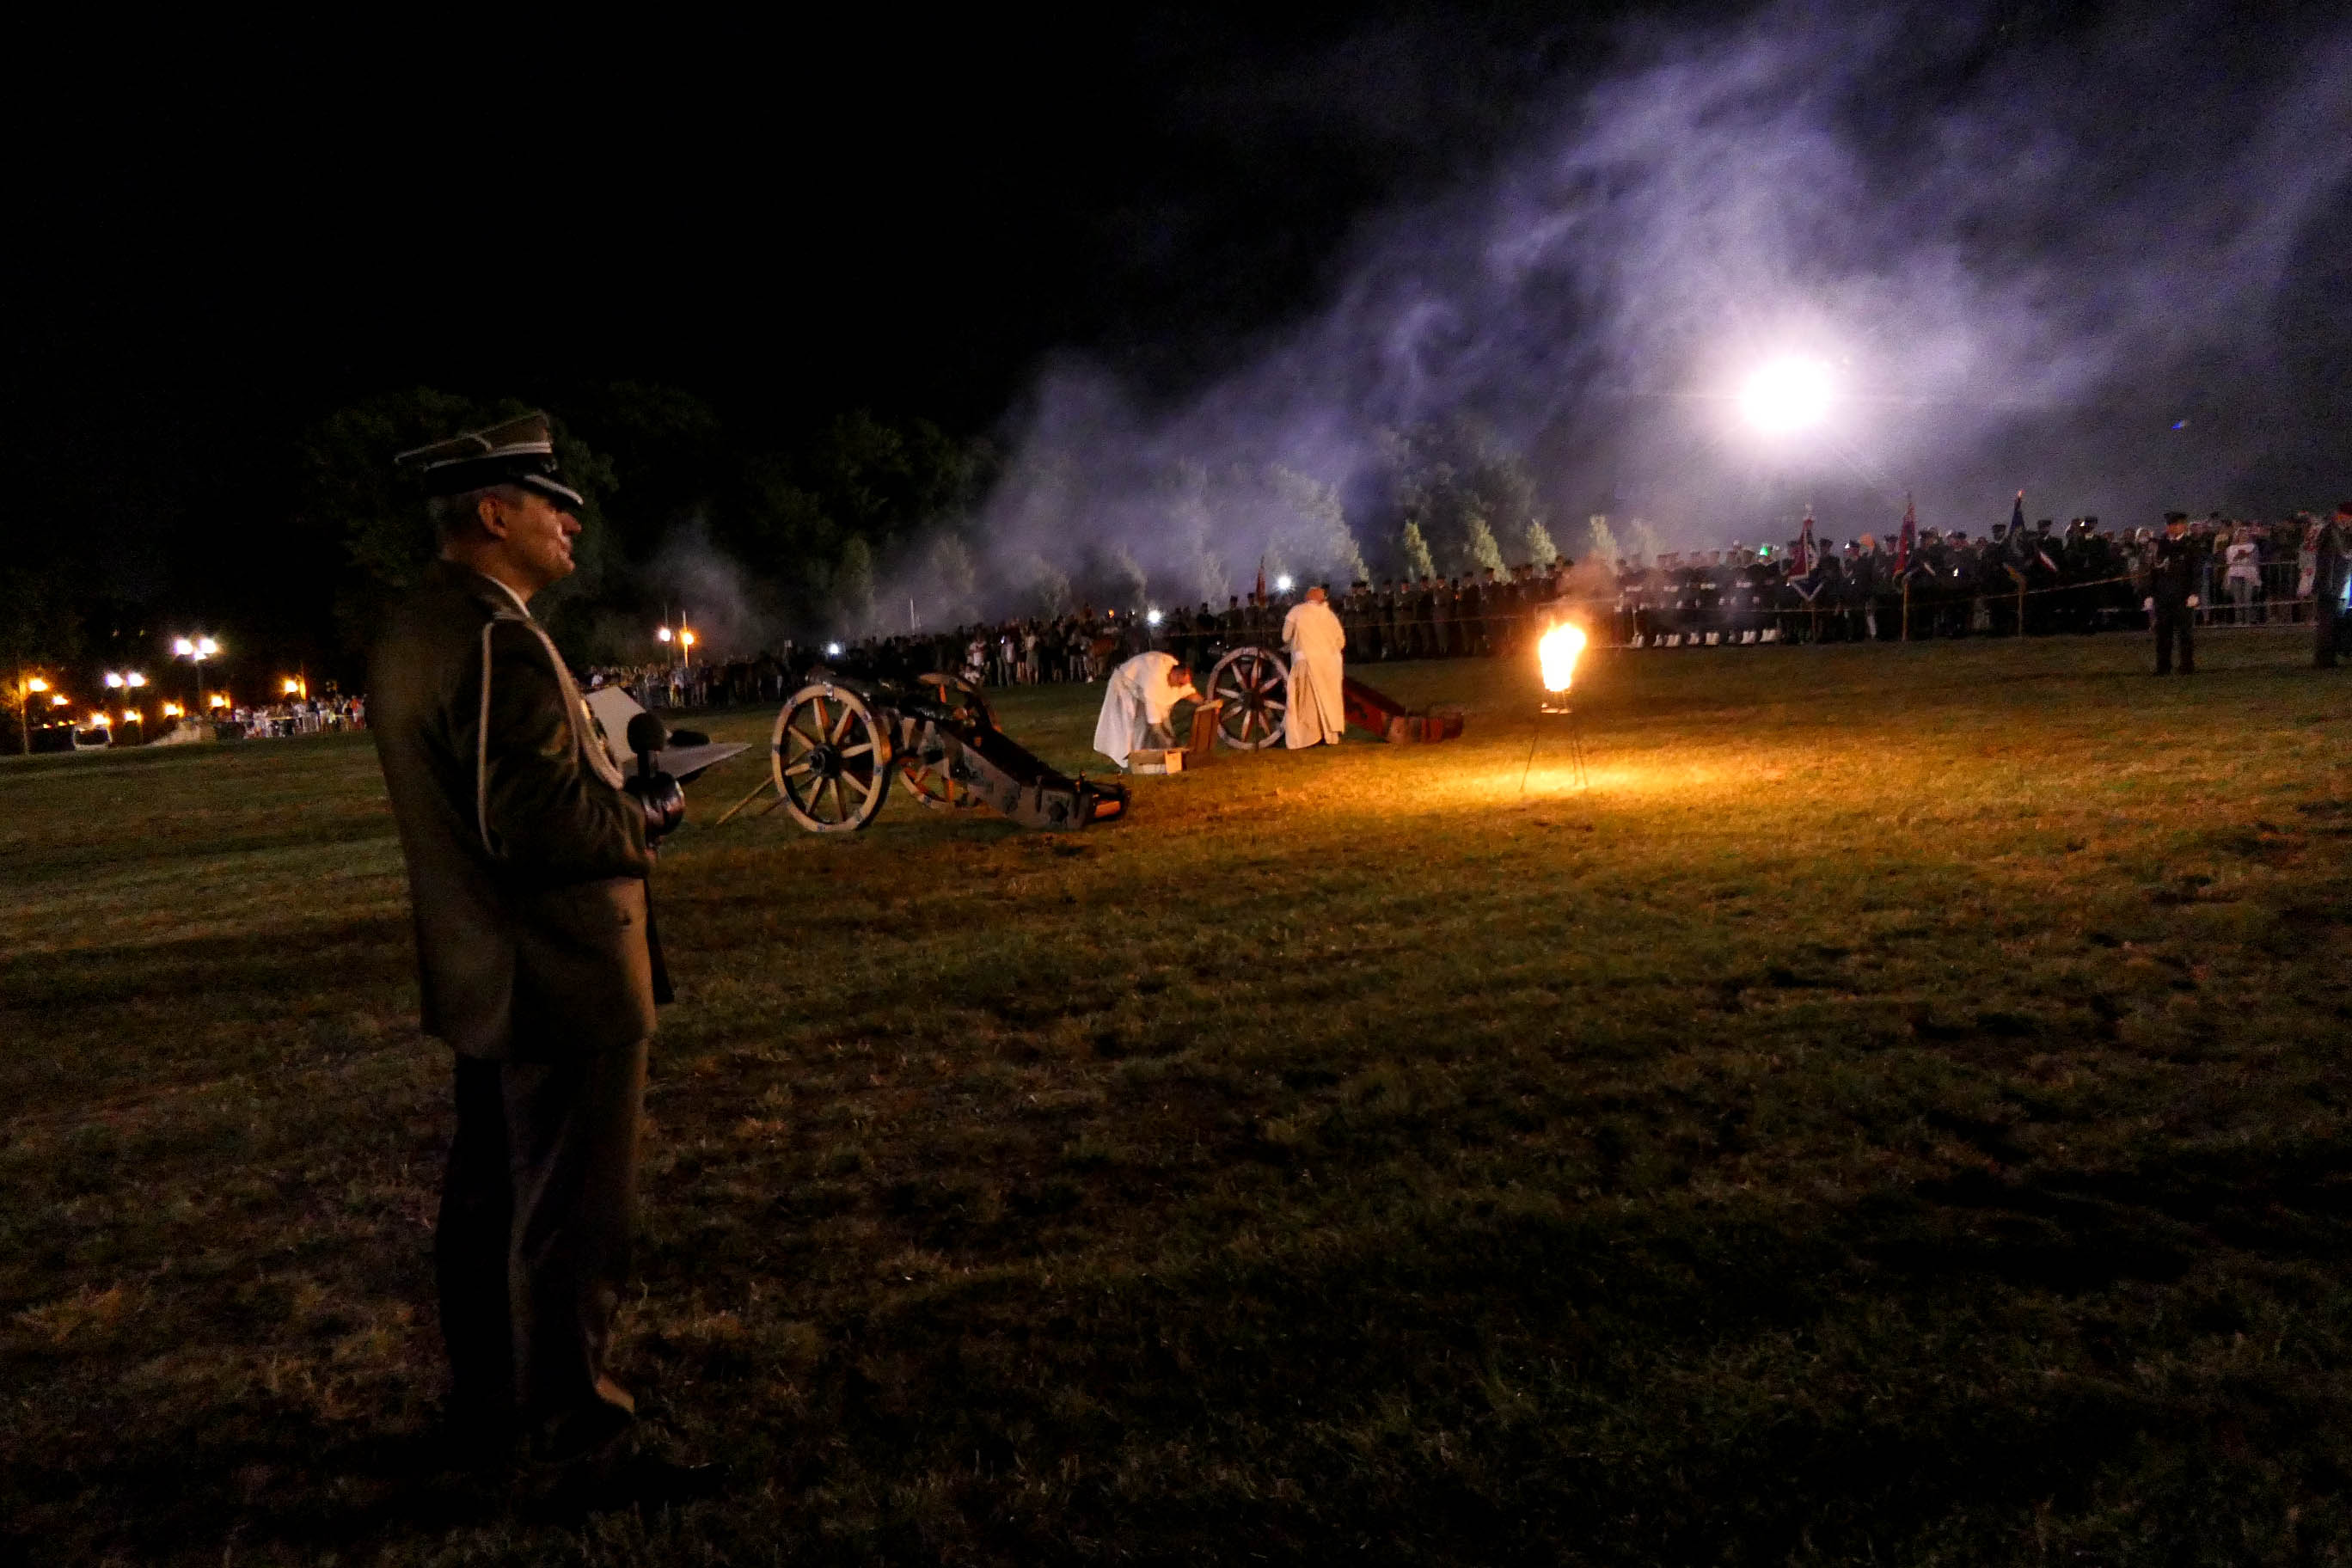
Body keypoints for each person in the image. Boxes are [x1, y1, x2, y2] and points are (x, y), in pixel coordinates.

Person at [371, 413, 671, 1472]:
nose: (572, 530)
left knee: (490, 1204)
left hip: (482, 971)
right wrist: (646, 816)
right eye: (556, 508)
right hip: (556, 972)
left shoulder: (420, 626)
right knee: (571, 1221)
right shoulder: (500, 635)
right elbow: (534, 825)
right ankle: (573, 1437)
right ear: (495, 513)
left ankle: (491, 1405)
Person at [1092, 650, 1198, 769]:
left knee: (1145, 728)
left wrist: (1205, 702)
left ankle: (1150, 758)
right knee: (1128, 726)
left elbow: (1188, 692)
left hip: (1140, 690)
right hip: (1124, 685)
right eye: (1180, 684)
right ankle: (1131, 759)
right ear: (1176, 675)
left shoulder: (1174, 668)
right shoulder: (1155, 679)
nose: (1180, 687)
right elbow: (1155, 723)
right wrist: (1168, 742)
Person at [1282, 584, 1346, 747]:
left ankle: (1308, 737)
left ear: (1307, 598)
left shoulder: (1297, 611)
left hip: (1307, 662)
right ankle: (1329, 734)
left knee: (1307, 703)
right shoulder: (1330, 616)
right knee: (1329, 701)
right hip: (1330, 664)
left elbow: (1285, 636)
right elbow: (1341, 641)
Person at [2147, 511, 2200, 675]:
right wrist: (2150, 594)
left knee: (2184, 633)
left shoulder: (2191, 544)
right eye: (2170, 525)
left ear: (2183, 525)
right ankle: (2163, 666)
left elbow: (2196, 571)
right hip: (2163, 595)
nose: (2171, 527)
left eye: (2175, 524)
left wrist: (2194, 593)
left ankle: (2186, 665)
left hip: (2183, 595)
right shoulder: (2161, 544)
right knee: (2163, 633)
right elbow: (2154, 571)